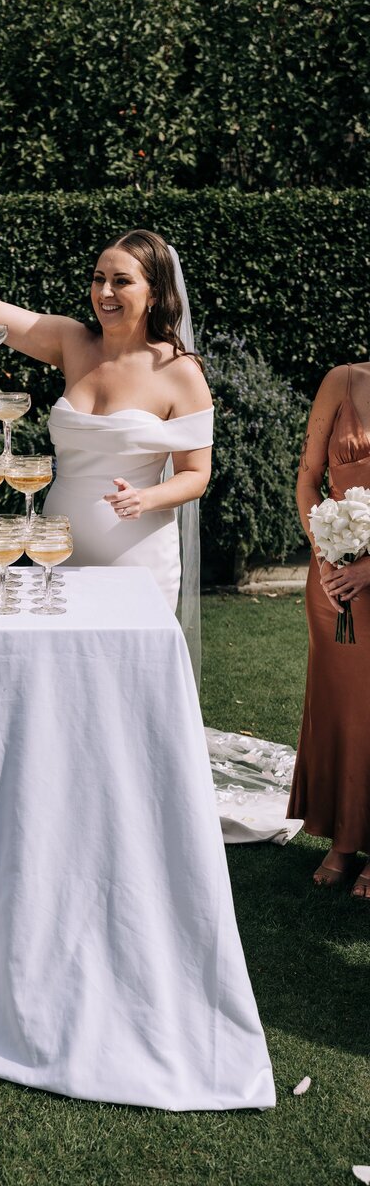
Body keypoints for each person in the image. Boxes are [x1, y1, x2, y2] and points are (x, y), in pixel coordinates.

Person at [0, 228, 213, 618]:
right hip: (56, 545)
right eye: (99, 279)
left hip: (137, 551)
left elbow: (196, 474)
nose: (105, 293)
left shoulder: (179, 371)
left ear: (154, 293)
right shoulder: (72, 341)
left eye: (121, 282)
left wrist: (144, 499)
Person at [287, 362, 370, 899]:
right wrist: (328, 558)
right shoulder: (342, 380)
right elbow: (307, 481)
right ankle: (343, 838)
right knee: (341, 708)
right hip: (334, 582)